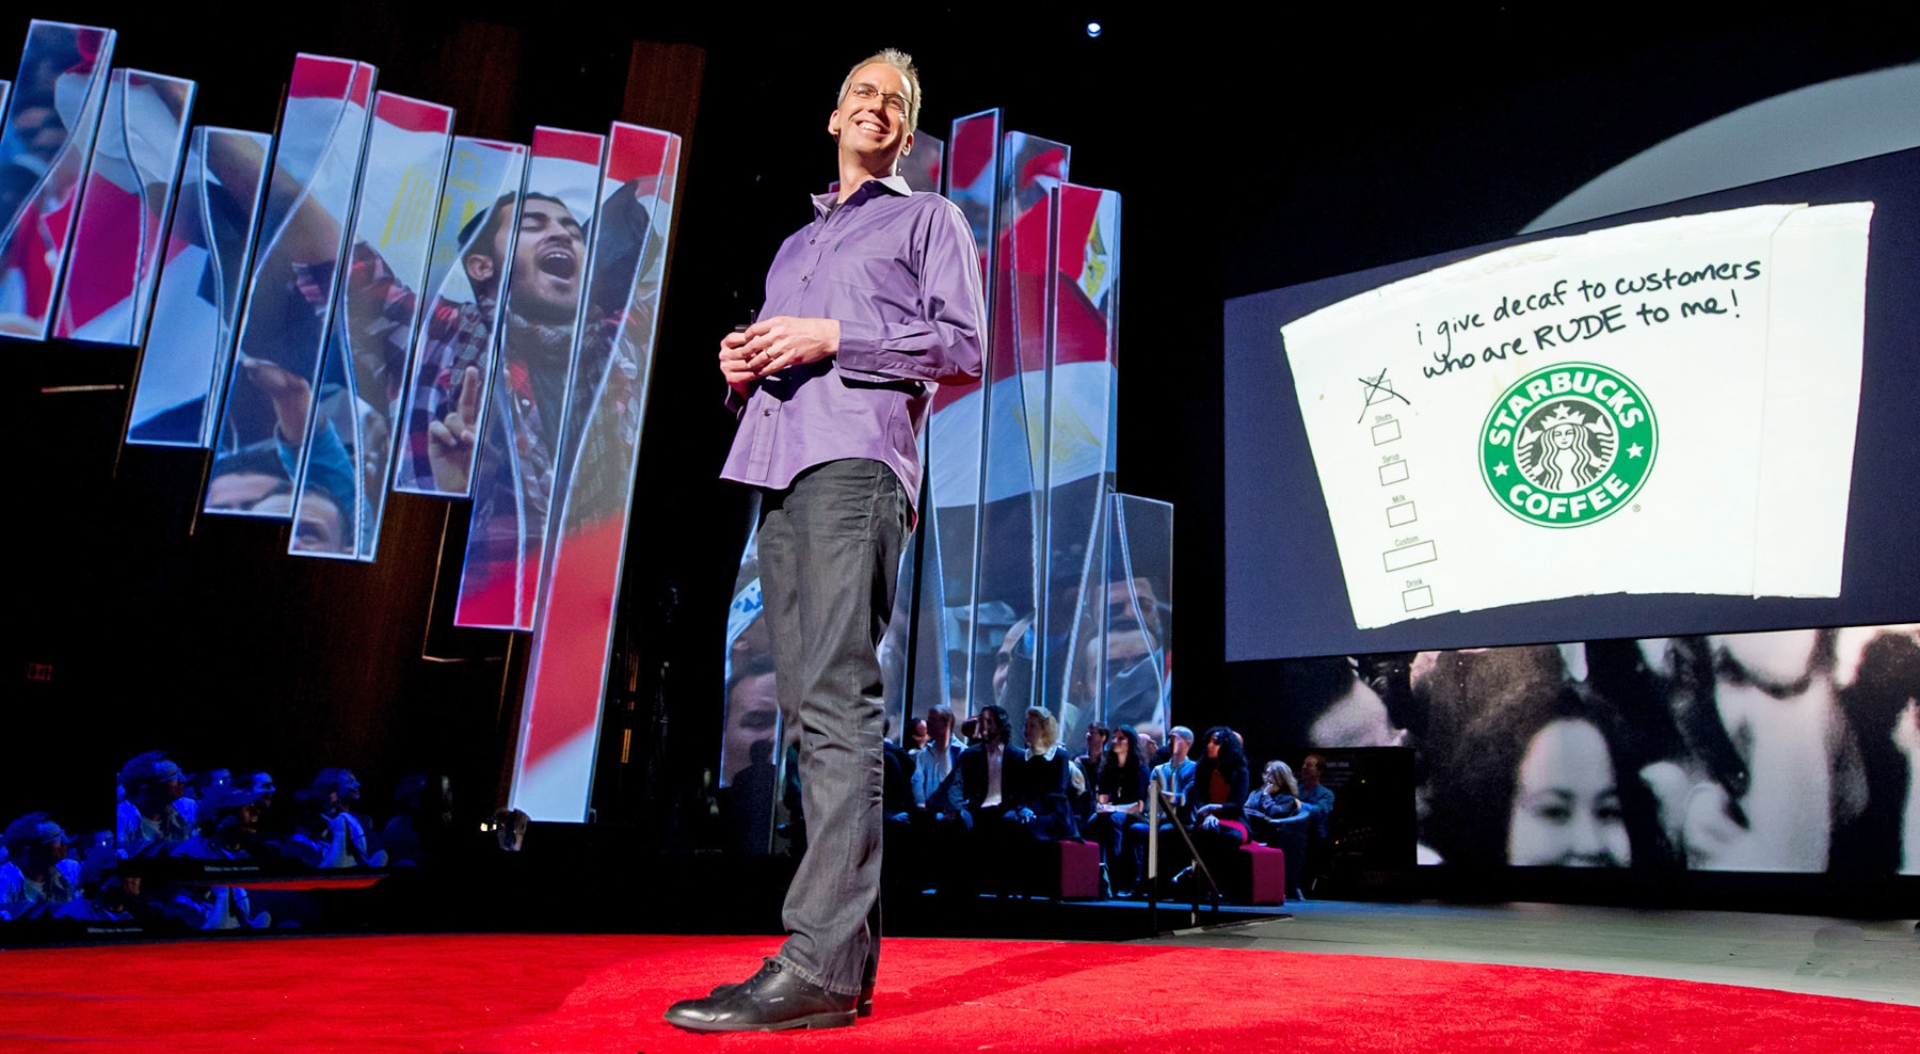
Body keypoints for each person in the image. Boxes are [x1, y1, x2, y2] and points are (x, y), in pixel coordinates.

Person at [664, 49, 985, 1034]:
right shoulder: (791, 249)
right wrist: (742, 363)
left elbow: (964, 347)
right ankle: (837, 963)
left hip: (859, 466)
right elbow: (783, 352)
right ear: (833, 116)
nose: (877, 106)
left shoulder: (930, 219)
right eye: (862, 94)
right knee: (813, 714)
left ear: (907, 130)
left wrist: (835, 336)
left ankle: (819, 963)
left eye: (897, 101)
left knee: (839, 705)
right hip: (780, 471)